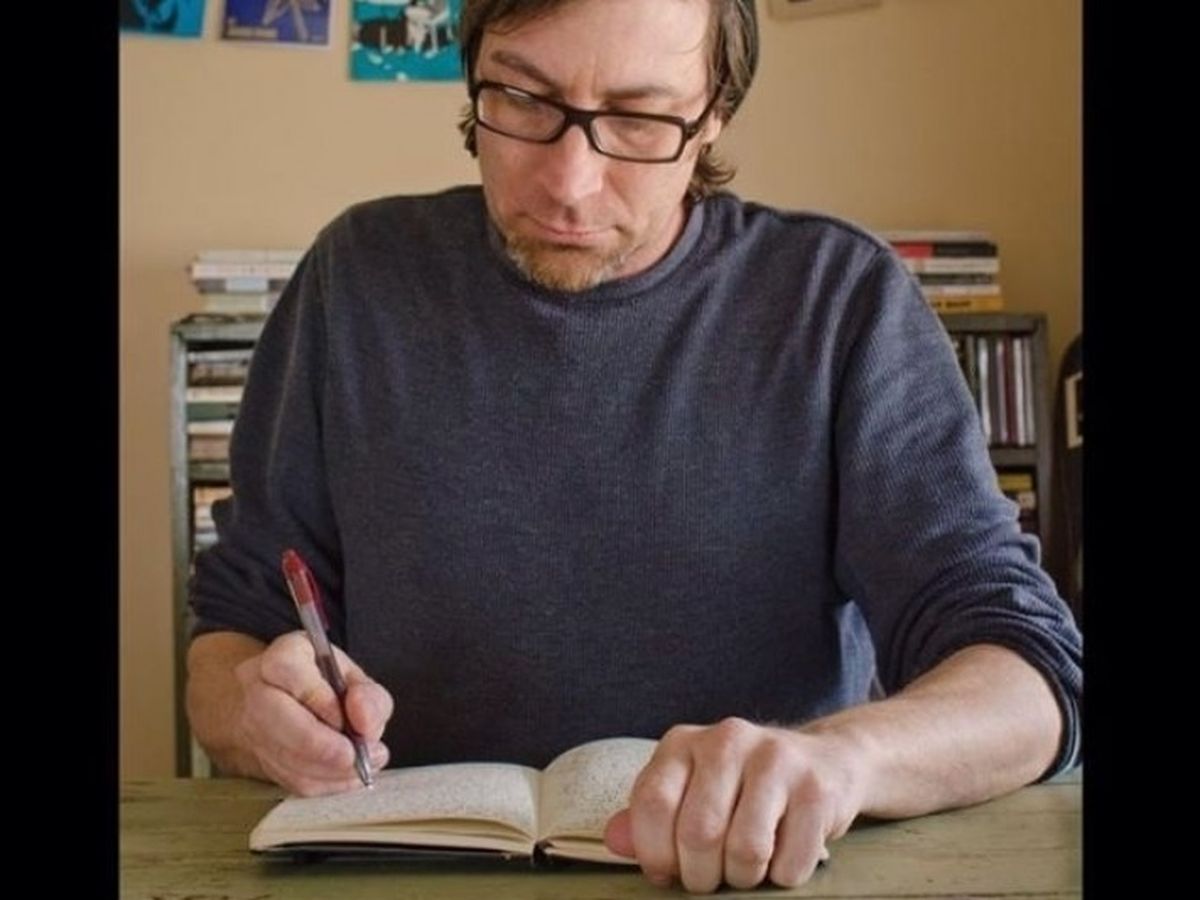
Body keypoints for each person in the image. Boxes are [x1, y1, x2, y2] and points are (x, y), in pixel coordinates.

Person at [185, 0, 1082, 892]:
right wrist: (251, 708)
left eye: (640, 120)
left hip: (749, 880)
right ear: (473, 75)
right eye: (523, 100)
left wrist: (843, 761)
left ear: (713, 114)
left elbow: (1030, 678)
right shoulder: (355, 277)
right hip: (401, 872)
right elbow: (233, 630)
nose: (570, 183)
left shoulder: (839, 302)